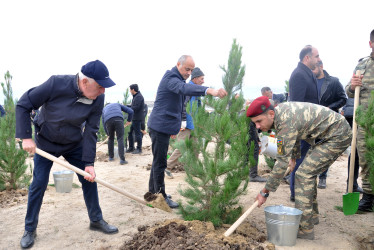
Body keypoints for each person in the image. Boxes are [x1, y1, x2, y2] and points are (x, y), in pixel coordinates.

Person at [15, 60, 119, 248]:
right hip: (45, 143)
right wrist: (25, 137)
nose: (103, 91)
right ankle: (30, 229)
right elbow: (24, 104)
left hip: (73, 143)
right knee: (38, 184)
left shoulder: (98, 99)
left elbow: (91, 130)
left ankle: (96, 220)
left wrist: (89, 163)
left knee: (89, 178)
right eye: (100, 86)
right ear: (85, 82)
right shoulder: (56, 84)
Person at [247, 96, 351, 240]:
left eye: (259, 121)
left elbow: (280, 162)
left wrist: (264, 192)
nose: (257, 127)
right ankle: (312, 216)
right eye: (255, 123)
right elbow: (295, 134)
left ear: (271, 114)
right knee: (306, 173)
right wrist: (294, 158)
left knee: (303, 175)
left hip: (337, 135)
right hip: (328, 134)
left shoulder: (284, 121)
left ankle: (305, 228)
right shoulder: (279, 115)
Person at [147, 55, 227, 208]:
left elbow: (177, 107)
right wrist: (209, 90)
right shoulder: (171, 77)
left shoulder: (177, 79)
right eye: (187, 69)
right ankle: (160, 196)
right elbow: (184, 88)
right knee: (160, 162)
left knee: (158, 161)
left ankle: (153, 192)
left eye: (191, 70)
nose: (189, 73)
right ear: (178, 64)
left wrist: (174, 127)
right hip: (159, 126)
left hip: (163, 126)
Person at [345, 29, 374, 212]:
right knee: (365, 160)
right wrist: (353, 85)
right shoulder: (362, 65)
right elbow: (348, 90)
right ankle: (369, 197)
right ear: (371, 44)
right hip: (364, 123)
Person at [288, 45, 321, 202]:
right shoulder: (299, 75)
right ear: (307, 58)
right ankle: (296, 194)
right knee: (299, 162)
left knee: (306, 162)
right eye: (316, 56)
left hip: (311, 128)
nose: (318, 59)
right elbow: (296, 106)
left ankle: (302, 192)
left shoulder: (309, 74)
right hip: (303, 129)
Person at [312, 60, 347, 189]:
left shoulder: (334, 81)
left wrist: (329, 108)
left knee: (325, 149)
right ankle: (312, 174)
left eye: (314, 69)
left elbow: (343, 99)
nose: (312, 72)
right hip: (313, 121)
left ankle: (322, 177)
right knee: (312, 148)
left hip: (328, 120)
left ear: (321, 66)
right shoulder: (310, 81)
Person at [167, 67, 205, 172]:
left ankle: (192, 168)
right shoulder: (188, 89)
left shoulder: (196, 90)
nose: (203, 81)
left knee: (195, 148)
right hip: (186, 124)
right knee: (181, 147)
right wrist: (183, 121)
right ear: (195, 78)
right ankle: (167, 166)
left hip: (195, 125)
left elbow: (198, 108)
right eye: (201, 79)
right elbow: (182, 105)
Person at [341, 98, 363, 193]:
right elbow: (349, 89)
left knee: (356, 151)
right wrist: (351, 88)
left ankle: (352, 184)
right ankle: (351, 185)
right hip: (356, 112)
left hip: (353, 111)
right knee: (356, 151)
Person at [127, 84, 145, 154]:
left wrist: (127, 108)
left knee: (137, 134)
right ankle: (131, 147)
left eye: (130, 90)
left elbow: (136, 108)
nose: (130, 91)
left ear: (133, 90)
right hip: (134, 118)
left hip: (137, 118)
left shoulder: (139, 97)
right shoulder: (136, 96)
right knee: (130, 132)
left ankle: (139, 149)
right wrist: (127, 106)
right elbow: (133, 106)